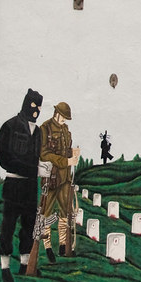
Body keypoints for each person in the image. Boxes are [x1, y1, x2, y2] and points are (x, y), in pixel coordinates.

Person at [0, 89, 43, 282]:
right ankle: (4, 266)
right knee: (8, 225)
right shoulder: (10, 126)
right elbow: (5, 159)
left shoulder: (38, 131)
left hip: (30, 186)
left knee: (29, 225)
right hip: (15, 183)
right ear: (26, 104)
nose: (36, 111)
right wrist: (33, 169)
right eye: (33, 106)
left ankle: (25, 264)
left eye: (39, 107)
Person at [36, 102, 81, 262]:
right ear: (57, 114)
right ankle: (47, 247)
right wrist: (65, 161)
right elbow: (44, 154)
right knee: (46, 214)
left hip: (65, 178)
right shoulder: (45, 128)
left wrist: (72, 154)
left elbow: (65, 150)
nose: (64, 120)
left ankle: (63, 245)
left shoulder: (65, 130)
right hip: (51, 178)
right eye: (63, 117)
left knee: (65, 213)